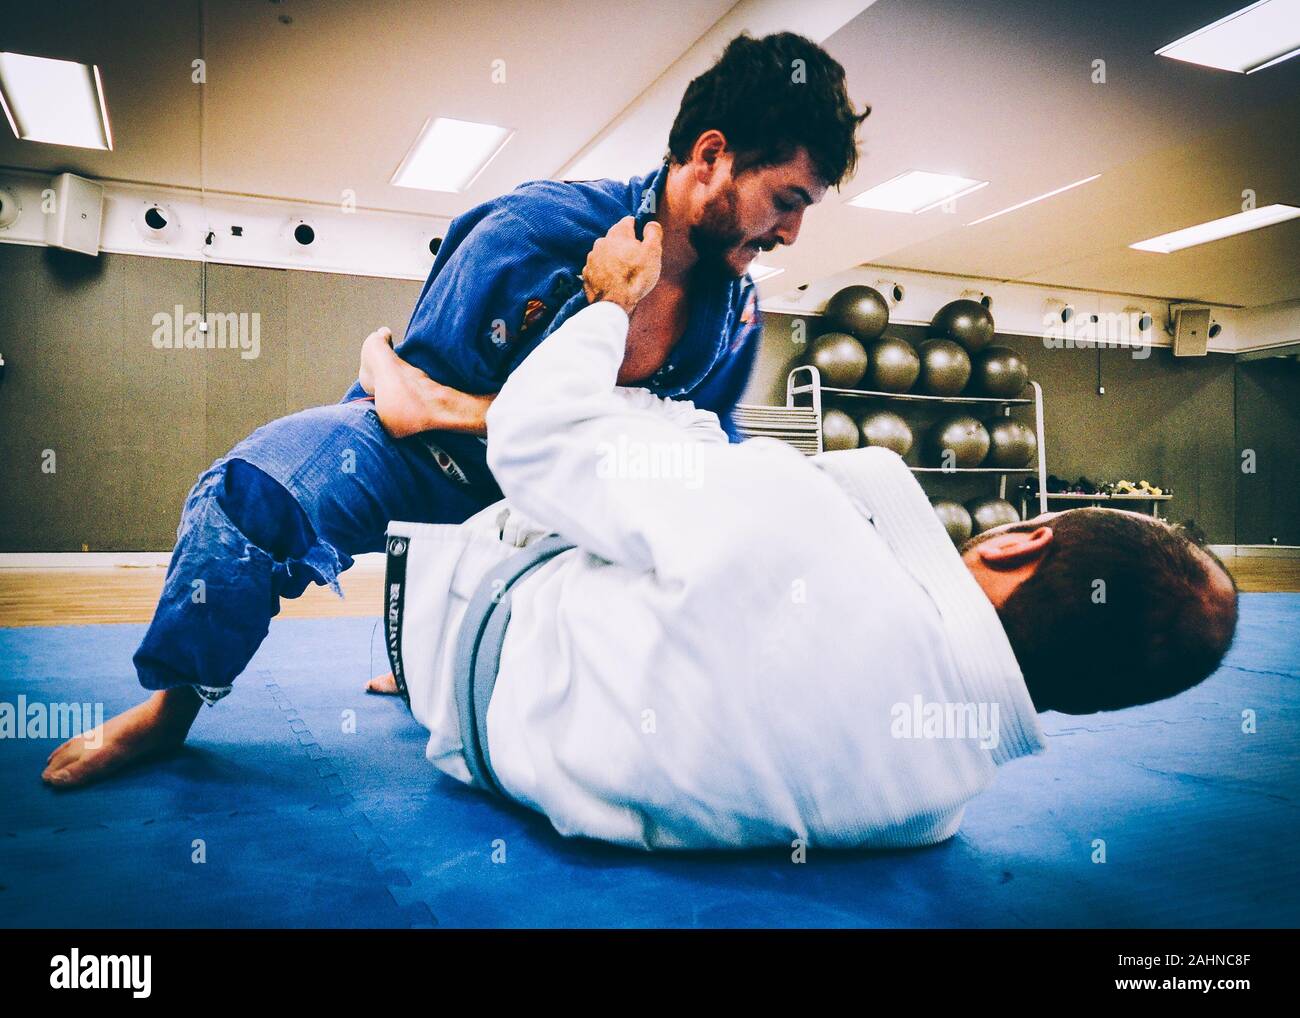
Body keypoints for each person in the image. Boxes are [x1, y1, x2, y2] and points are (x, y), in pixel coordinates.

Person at [42, 31, 870, 788]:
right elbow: (406, 397)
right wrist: (525, 358)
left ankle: (439, 663)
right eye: (787, 200)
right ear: (713, 155)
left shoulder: (735, 312)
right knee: (252, 492)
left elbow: (703, 450)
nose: (791, 234)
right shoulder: (534, 228)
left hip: (570, 499)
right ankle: (169, 714)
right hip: (432, 465)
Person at [374, 214, 1240, 851]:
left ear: (1020, 544)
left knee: (657, 438)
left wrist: (608, 303)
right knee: (694, 467)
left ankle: (428, 404)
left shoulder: (800, 522)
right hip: (496, 747)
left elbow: (535, 440)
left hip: (459, 623)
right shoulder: (934, 810)